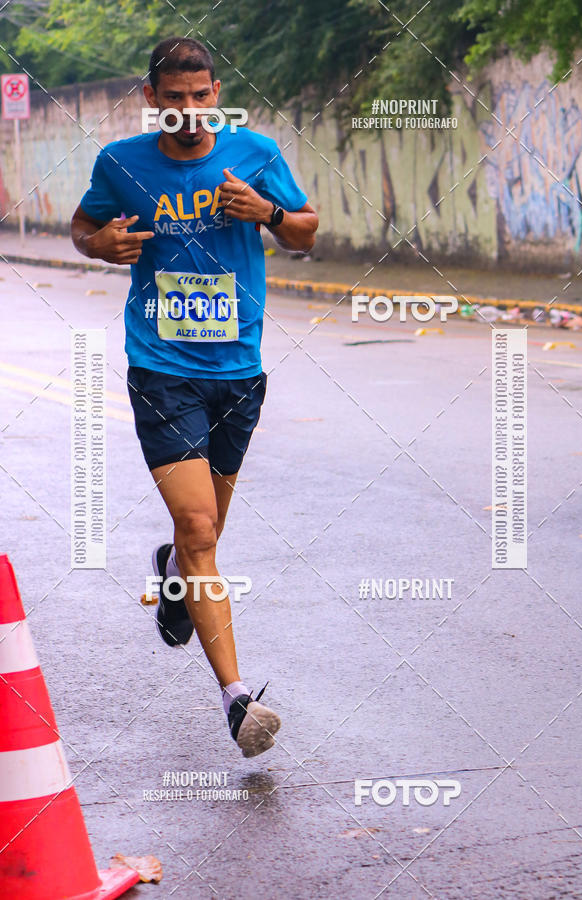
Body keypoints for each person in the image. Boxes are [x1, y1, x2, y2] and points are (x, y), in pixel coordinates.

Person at [71, 35, 319, 758]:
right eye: (172, 98)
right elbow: (85, 225)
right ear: (151, 100)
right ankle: (237, 699)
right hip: (160, 367)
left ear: (218, 94)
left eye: (200, 96)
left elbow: (307, 232)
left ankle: (175, 575)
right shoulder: (120, 164)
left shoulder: (257, 155)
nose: (187, 110)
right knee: (201, 528)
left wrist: (267, 215)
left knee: (201, 536)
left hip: (238, 372)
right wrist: (99, 244)